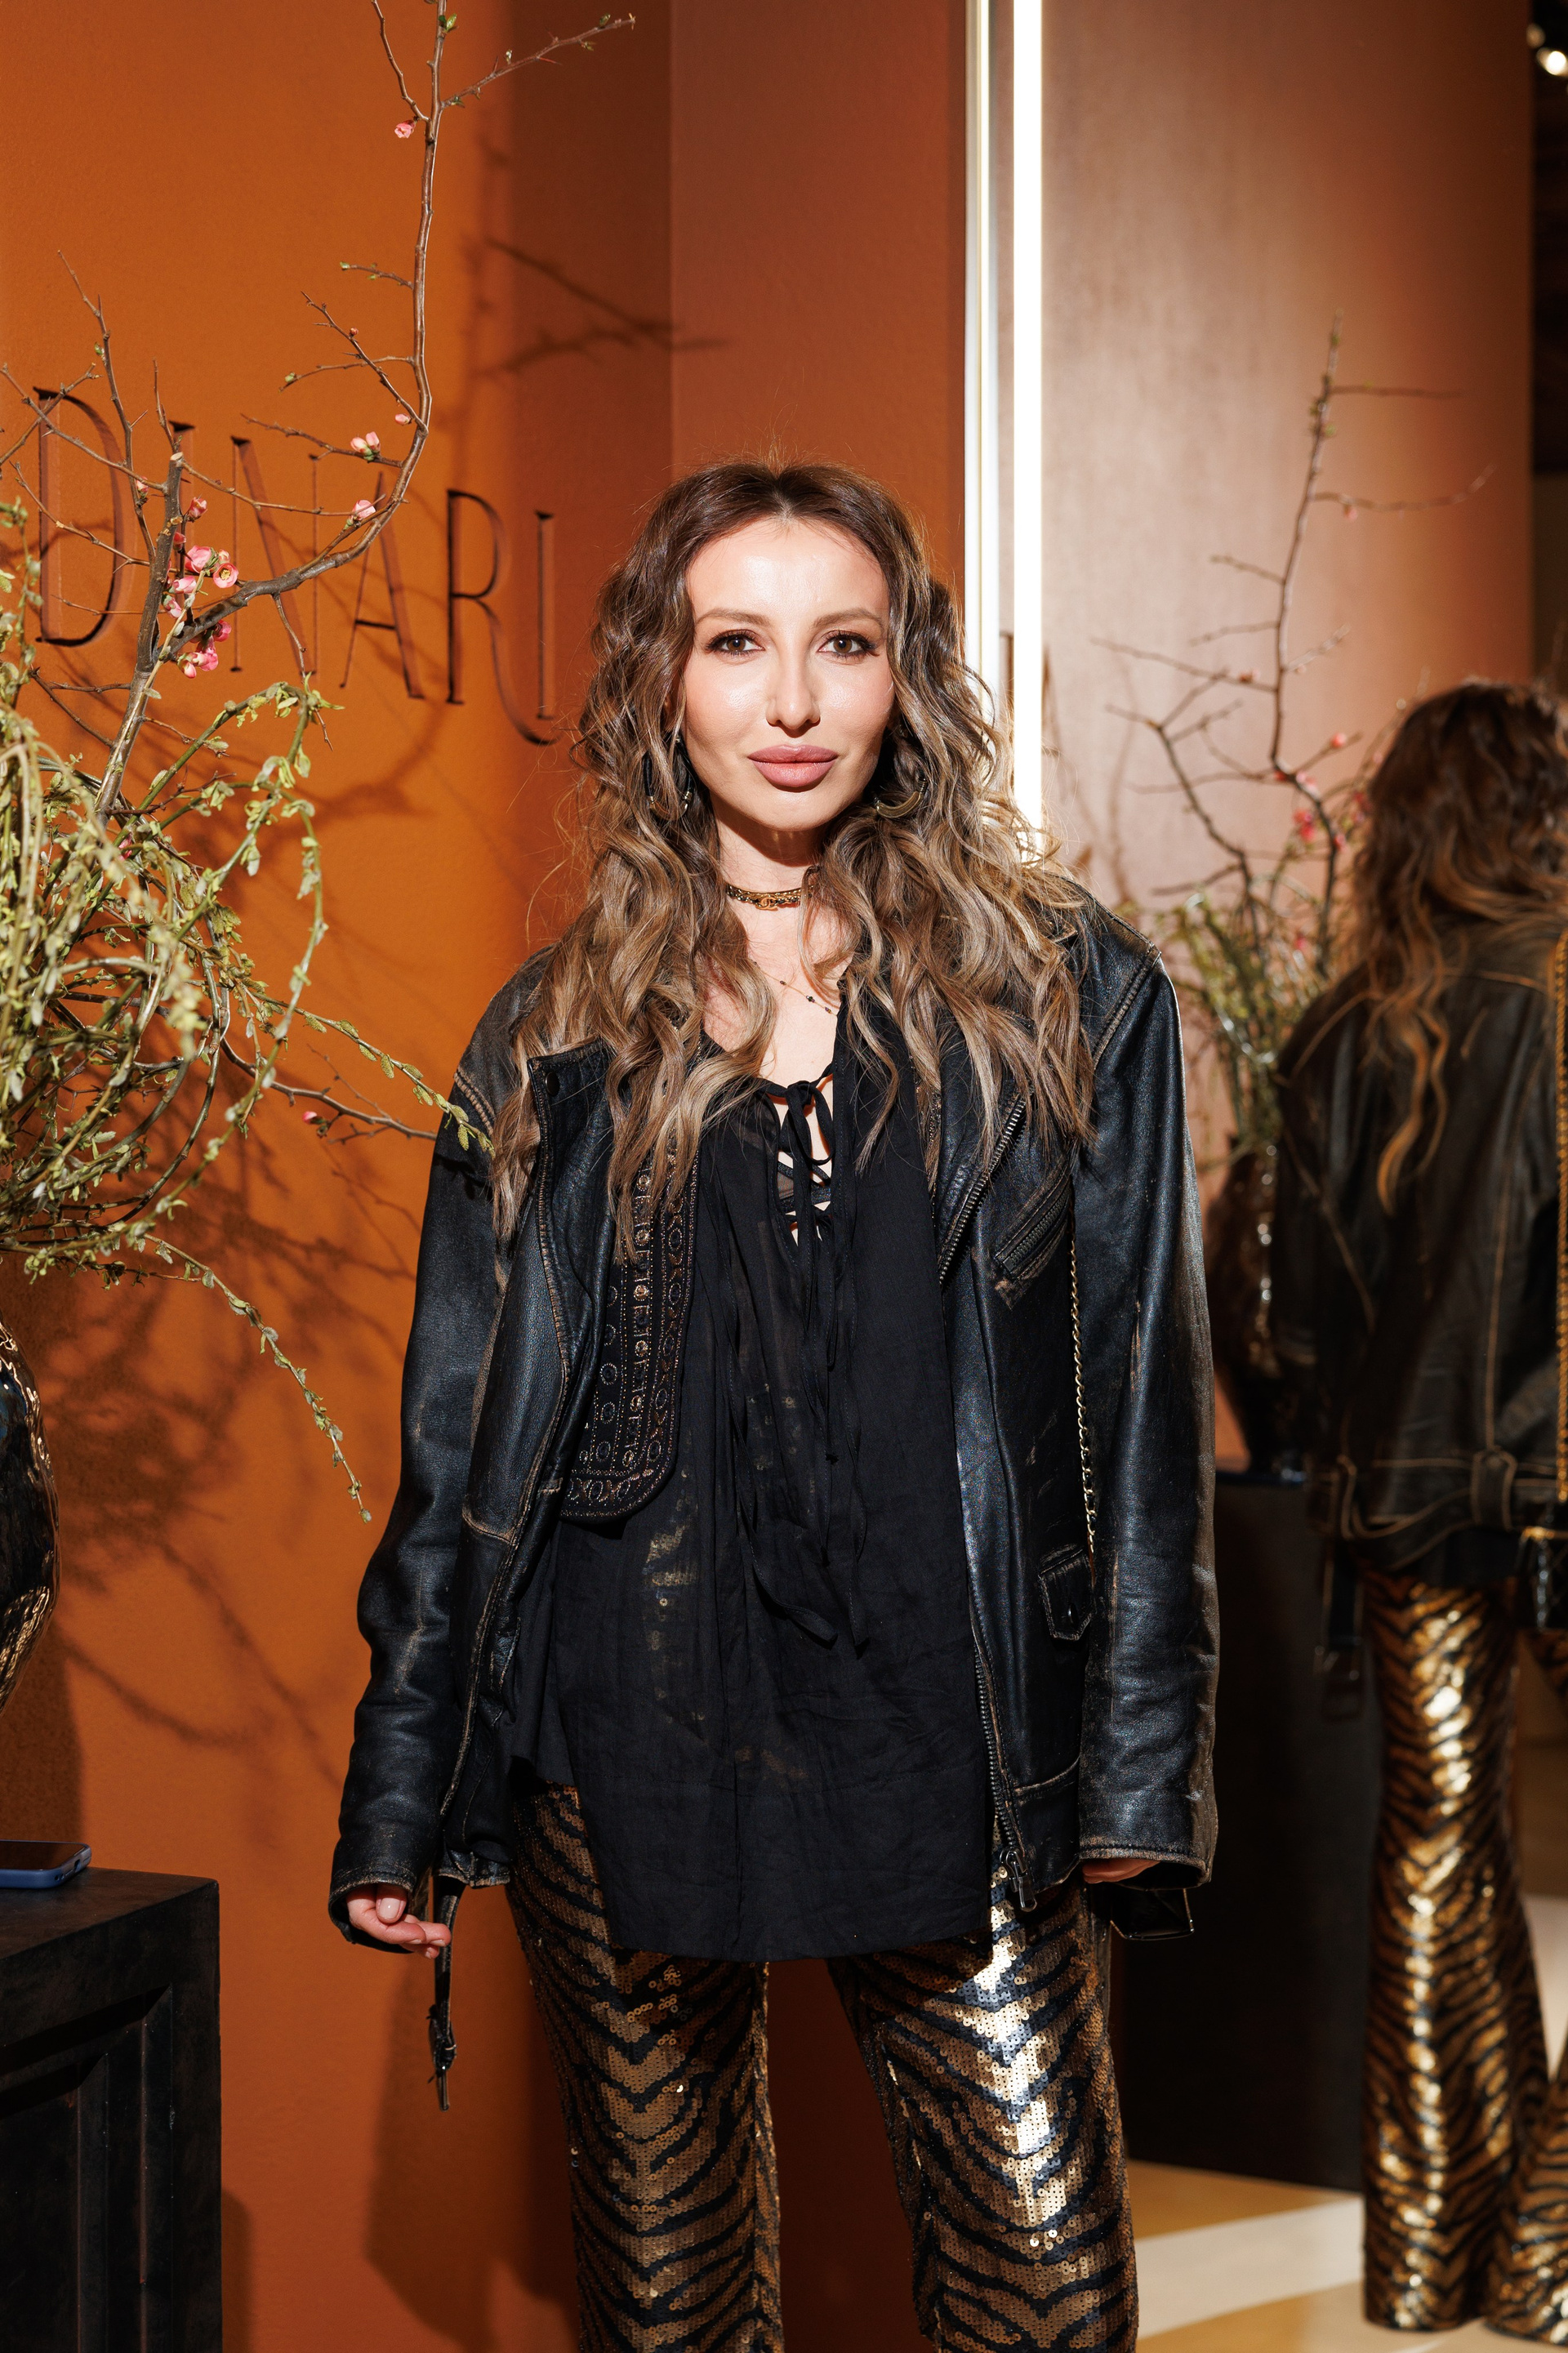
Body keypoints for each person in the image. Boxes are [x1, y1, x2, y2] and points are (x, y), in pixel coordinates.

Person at [331, 460, 1216, 2352]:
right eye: (737, 644)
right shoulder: (552, 1031)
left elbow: (1143, 1407)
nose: (794, 702)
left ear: (911, 679)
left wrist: (1142, 1770)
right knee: (671, 2302)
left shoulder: (1071, 995)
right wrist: (405, 1785)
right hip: (624, 1725)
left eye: (846, 646)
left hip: (957, 1717)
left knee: (1051, 2290)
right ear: (662, 681)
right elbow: (459, 1440)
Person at [1274, 680, 1568, 2342]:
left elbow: (1295, 1325)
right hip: (1557, 1477)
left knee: (1434, 1846)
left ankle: (1426, 2262)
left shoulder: (1338, 1029)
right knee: (1450, 1848)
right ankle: (1546, 2254)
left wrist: (1351, 1448)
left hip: (1399, 1494)